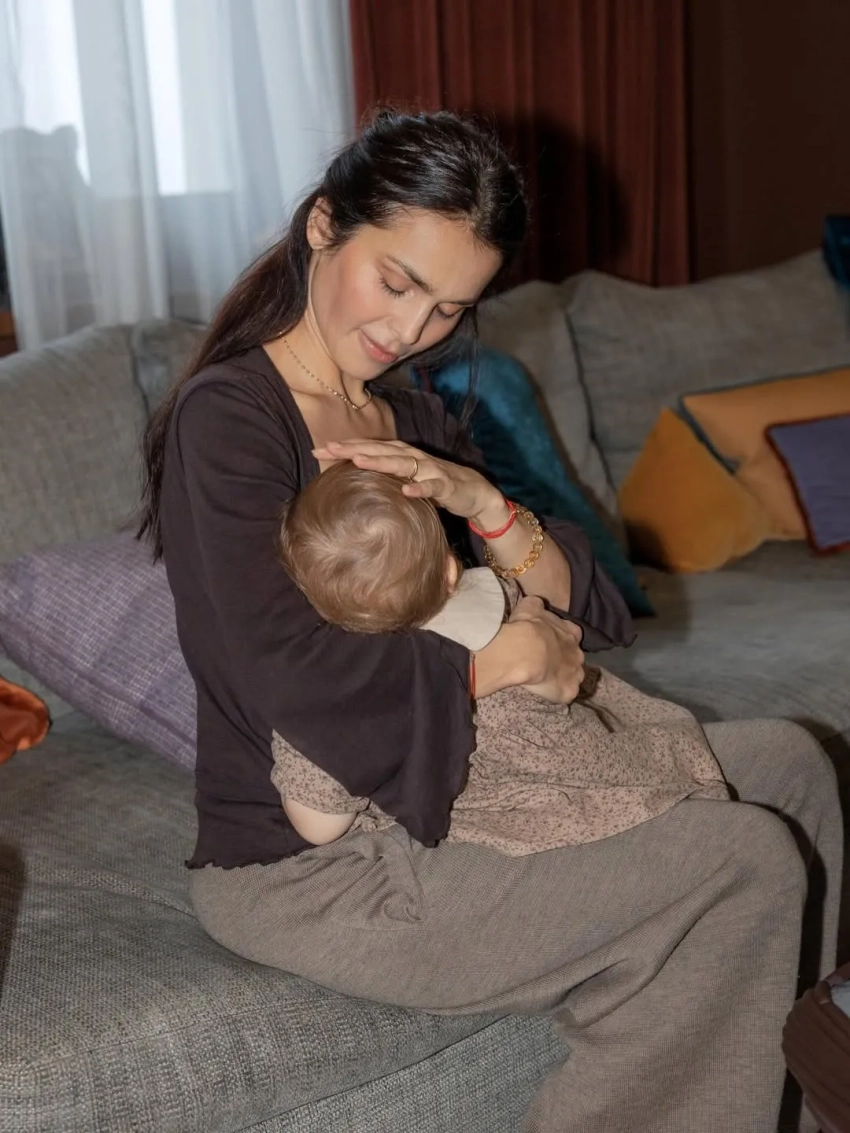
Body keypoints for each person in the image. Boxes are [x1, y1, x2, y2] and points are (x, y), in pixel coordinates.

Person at [138, 108, 842, 1132]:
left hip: (479, 789)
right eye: (397, 282)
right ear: (325, 225)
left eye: (447, 308)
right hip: (318, 862)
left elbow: (579, 606)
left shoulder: (413, 416)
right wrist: (495, 665)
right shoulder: (230, 419)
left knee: (792, 766)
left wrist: (481, 502)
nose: (409, 329)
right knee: (742, 858)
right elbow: (279, 669)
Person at [272, 460, 729, 854]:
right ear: (451, 571)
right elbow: (564, 642)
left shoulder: (334, 698)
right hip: (589, 770)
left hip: (511, 827)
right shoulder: (503, 601)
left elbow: (319, 827)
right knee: (680, 772)